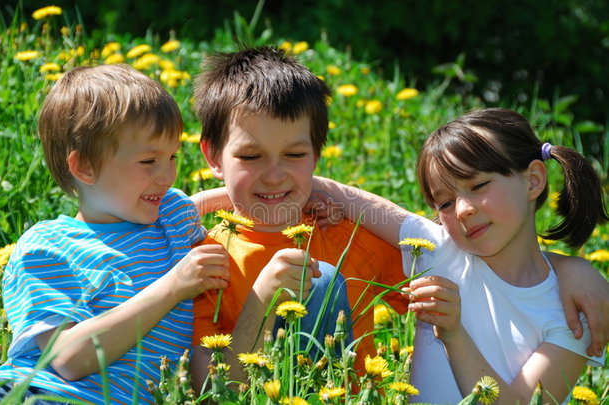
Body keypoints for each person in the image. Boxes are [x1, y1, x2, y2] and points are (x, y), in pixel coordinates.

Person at [315, 108, 609, 403]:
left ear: (533, 180)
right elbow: (338, 193)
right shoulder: (438, 249)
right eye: (444, 203)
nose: (462, 210)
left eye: (478, 185)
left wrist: (453, 334)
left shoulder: (574, 309)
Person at [0, 64, 232, 404]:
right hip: (42, 394)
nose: (167, 176)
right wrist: (172, 287)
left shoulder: (171, 216)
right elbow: (66, 359)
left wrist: (312, 195)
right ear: (85, 167)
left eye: (172, 157)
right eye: (148, 161)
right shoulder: (48, 248)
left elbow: (235, 201)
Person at [189, 46, 408, 382]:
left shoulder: (348, 236)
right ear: (213, 156)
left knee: (324, 282)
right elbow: (213, 390)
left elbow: (439, 258)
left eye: (294, 154)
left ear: (316, 155)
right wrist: (263, 298)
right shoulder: (205, 263)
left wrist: (326, 191)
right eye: (250, 156)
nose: (274, 175)